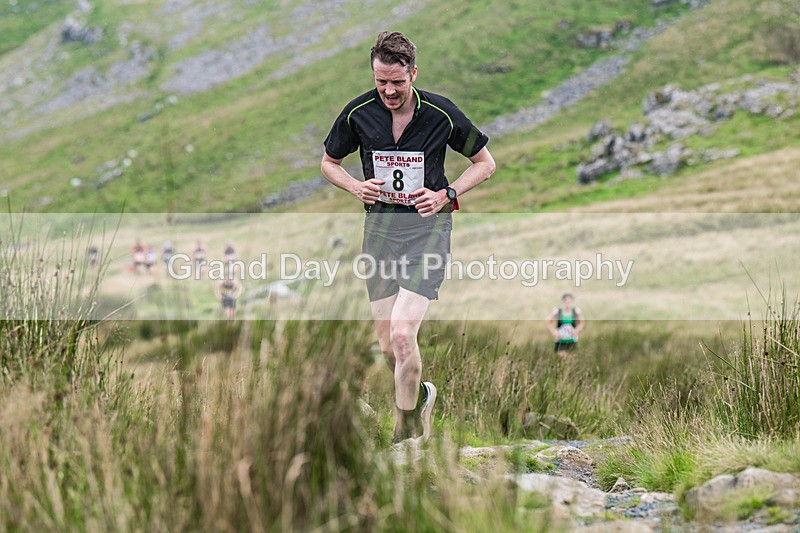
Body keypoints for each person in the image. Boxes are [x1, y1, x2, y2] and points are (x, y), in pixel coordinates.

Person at [321, 31, 496, 446]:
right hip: (380, 234)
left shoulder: (441, 113)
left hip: (428, 232)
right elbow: (329, 162)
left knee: (403, 334)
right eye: (381, 81)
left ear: (413, 73)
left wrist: (446, 194)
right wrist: (354, 186)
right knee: (387, 345)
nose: (389, 91)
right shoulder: (358, 113)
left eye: (397, 82)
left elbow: (485, 164)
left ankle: (406, 431)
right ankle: (420, 396)